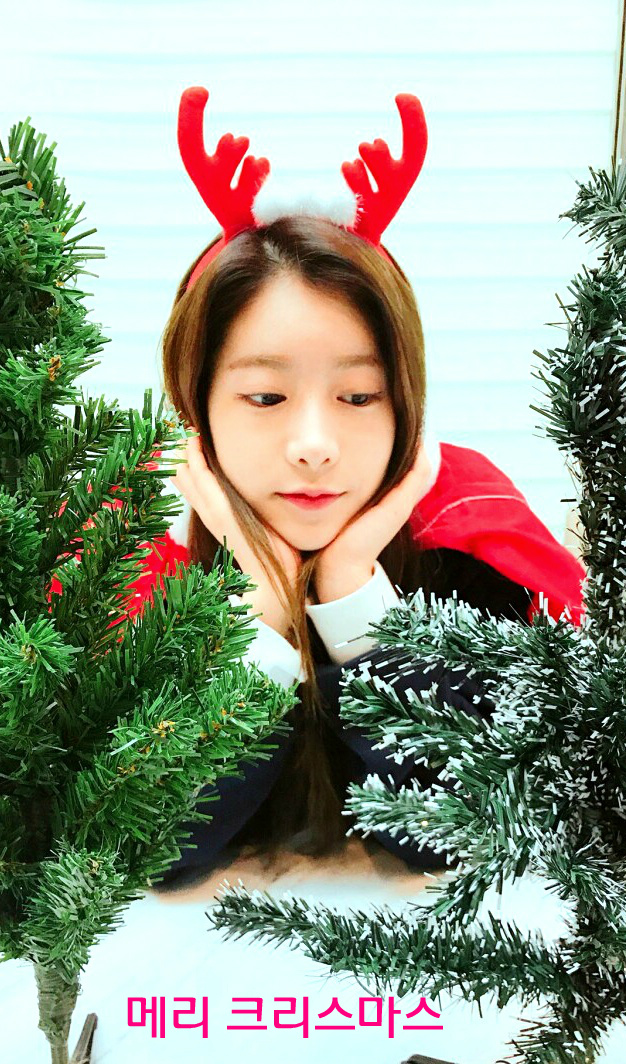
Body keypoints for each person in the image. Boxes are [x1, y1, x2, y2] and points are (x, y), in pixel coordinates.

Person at [120, 87, 587, 883]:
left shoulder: (469, 537)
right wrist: (260, 609)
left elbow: (462, 834)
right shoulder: (131, 554)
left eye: (359, 396)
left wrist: (355, 603)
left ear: (405, 401)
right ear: (195, 406)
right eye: (265, 397)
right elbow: (146, 848)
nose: (313, 446)